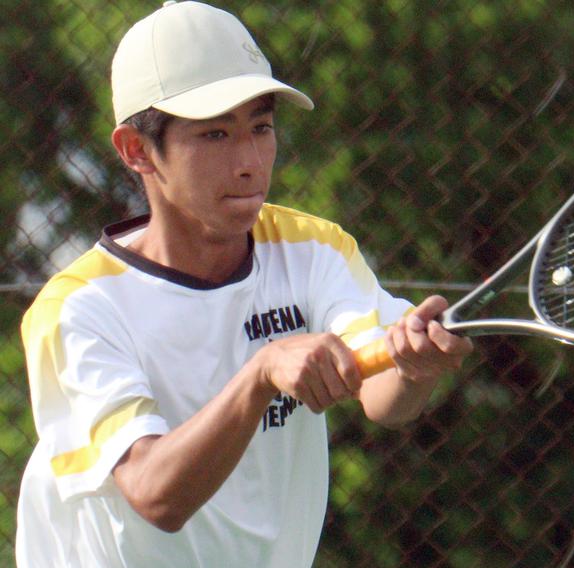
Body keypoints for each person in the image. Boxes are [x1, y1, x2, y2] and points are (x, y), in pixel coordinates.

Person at [15, 1, 473, 566]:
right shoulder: (76, 307)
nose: (250, 161)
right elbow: (154, 493)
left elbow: (383, 397)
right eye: (214, 135)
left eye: (261, 127)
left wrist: (412, 367)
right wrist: (262, 374)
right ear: (137, 151)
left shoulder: (314, 250)